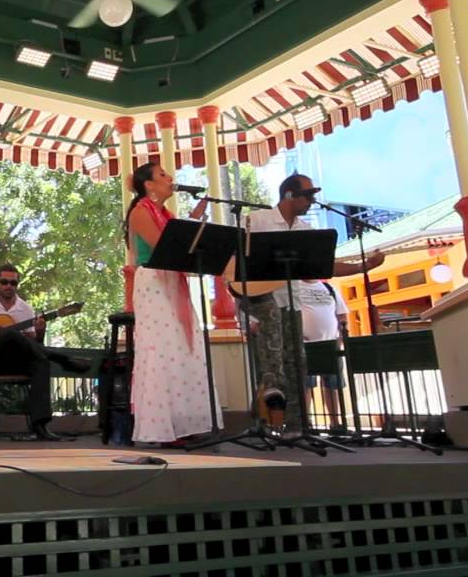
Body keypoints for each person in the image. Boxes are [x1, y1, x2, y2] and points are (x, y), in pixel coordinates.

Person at [241, 173, 383, 433]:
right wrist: (249, 315)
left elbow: (324, 266)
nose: (311, 201)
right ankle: (263, 423)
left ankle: (296, 427)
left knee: (297, 365)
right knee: (272, 367)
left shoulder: (305, 230)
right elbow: (236, 265)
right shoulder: (257, 220)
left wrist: (362, 266)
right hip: (263, 303)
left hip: (292, 305)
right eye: (307, 195)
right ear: (288, 195)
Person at [125, 162, 218, 446]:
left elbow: (177, 245)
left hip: (172, 282)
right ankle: (162, 428)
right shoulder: (141, 211)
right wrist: (189, 225)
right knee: (162, 349)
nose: (170, 177)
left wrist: (192, 221)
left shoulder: (165, 214)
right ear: (149, 185)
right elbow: (163, 246)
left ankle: (184, 423)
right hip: (153, 282)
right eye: (162, 174)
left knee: (182, 348)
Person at [0, 264, 92, 441]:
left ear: (17, 284)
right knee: (5, 332)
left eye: (13, 283)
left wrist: (41, 331)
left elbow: (34, 345)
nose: (8, 286)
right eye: (4, 282)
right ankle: (64, 360)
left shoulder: (26, 309)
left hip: (19, 361)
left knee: (40, 361)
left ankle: (40, 425)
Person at [297, 279, 348, 425]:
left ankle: (335, 422)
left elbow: (342, 314)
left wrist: (340, 338)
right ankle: (306, 422)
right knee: (306, 385)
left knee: (332, 385)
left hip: (330, 345)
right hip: (305, 345)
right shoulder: (293, 288)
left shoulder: (329, 288)